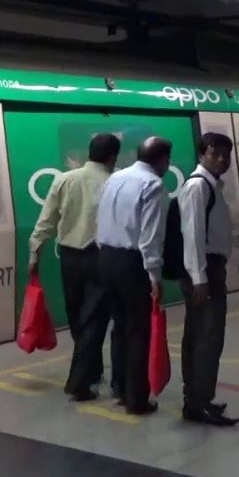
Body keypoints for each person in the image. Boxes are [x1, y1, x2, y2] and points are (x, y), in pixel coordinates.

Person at [28, 133, 120, 401]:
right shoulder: (115, 182)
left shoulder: (64, 179)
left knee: (77, 316)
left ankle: (91, 370)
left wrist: (35, 252)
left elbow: (46, 220)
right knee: (94, 320)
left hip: (69, 258)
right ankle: (79, 382)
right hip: (100, 257)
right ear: (112, 157)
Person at [95, 137, 171, 415]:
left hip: (106, 257)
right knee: (139, 330)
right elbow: (150, 236)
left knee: (120, 326)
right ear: (163, 159)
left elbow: (100, 218)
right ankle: (136, 398)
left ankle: (120, 386)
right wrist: (154, 275)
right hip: (132, 263)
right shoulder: (153, 185)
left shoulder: (115, 178)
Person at [178, 133, 239, 426]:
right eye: (215, 154)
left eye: (227, 155)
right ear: (202, 154)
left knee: (202, 335)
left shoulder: (211, 185)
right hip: (205, 271)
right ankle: (197, 402)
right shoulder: (198, 187)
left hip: (209, 269)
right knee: (206, 337)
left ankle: (198, 398)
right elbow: (192, 235)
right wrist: (199, 277)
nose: (222, 160)